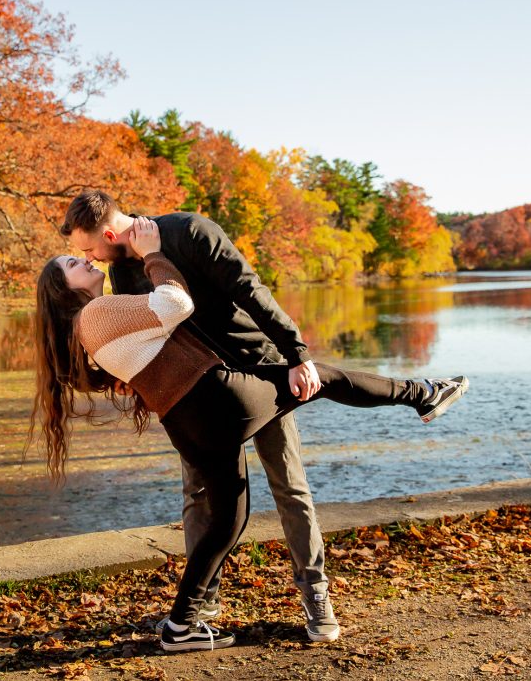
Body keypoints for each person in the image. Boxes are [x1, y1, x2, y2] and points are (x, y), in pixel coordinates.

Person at [30, 217, 469, 652]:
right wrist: (155, 256)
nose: (85, 260)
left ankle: (181, 626)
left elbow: (213, 306)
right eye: (74, 262)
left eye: (82, 252)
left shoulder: (86, 325)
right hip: (221, 400)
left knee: (228, 521)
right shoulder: (99, 309)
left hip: (187, 422)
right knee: (324, 378)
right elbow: (175, 306)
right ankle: (422, 394)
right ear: (63, 288)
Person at [60, 189, 341, 643]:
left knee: (289, 486)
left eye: (89, 248)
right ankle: (201, 604)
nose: (91, 257)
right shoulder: (123, 272)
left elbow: (251, 290)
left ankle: (316, 597)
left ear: (109, 233)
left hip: (261, 374)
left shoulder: (189, 230)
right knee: (199, 494)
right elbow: (143, 337)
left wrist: (296, 355)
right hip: (201, 398)